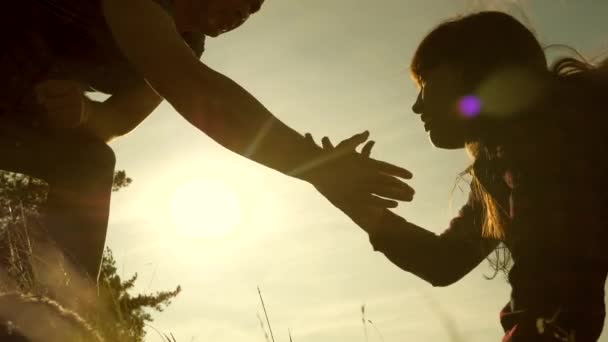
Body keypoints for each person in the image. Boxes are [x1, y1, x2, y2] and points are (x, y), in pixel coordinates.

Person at [0, 0, 414, 285]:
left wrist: (84, 113)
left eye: (253, 10)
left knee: (89, 164)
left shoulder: (189, 45)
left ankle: (49, 312)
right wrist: (318, 166)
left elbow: (116, 119)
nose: (243, 13)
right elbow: (198, 92)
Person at [323, 11, 608, 342]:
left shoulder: (550, 144)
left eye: (425, 83)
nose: (416, 107)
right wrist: (346, 196)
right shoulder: (505, 164)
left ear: (476, 70)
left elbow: (559, 297)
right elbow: (445, 261)